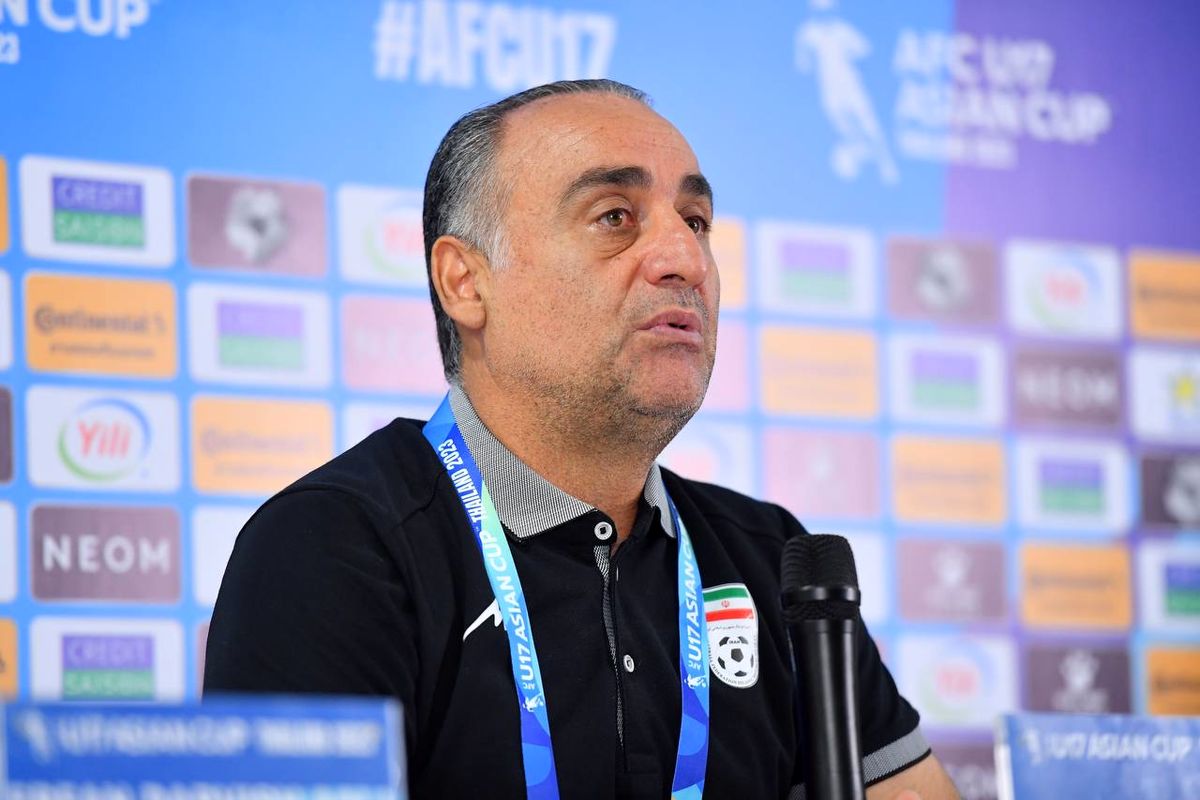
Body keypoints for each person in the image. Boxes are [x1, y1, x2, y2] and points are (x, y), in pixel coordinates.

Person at [205, 79, 960, 800]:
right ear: (465, 282)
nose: (685, 259)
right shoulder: (333, 549)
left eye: (695, 222)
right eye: (615, 217)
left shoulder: (770, 559)